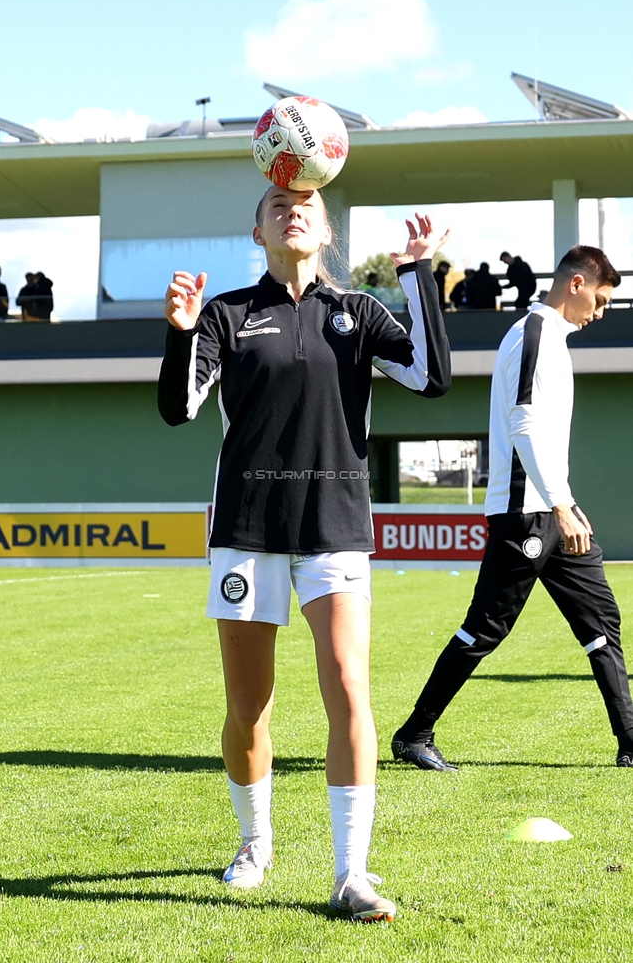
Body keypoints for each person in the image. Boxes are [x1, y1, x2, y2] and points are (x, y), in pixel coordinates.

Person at [158, 187, 452, 920]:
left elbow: (432, 377)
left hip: (336, 525)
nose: (293, 210)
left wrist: (417, 274)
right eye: (277, 204)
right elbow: (177, 407)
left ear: (326, 230)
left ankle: (352, 875)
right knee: (248, 706)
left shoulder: (359, 313)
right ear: (255, 227)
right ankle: (254, 842)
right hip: (246, 530)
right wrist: (180, 331)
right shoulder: (223, 313)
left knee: (350, 685)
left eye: (307, 204)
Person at [391, 245, 633, 772]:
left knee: (602, 623)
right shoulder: (532, 334)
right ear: (577, 284)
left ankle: (630, 742)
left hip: (553, 510)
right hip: (526, 514)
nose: (601, 311)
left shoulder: (553, 341)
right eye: (601, 298)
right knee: (485, 628)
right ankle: (414, 733)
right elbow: (523, 424)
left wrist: (567, 505)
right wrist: (561, 505)